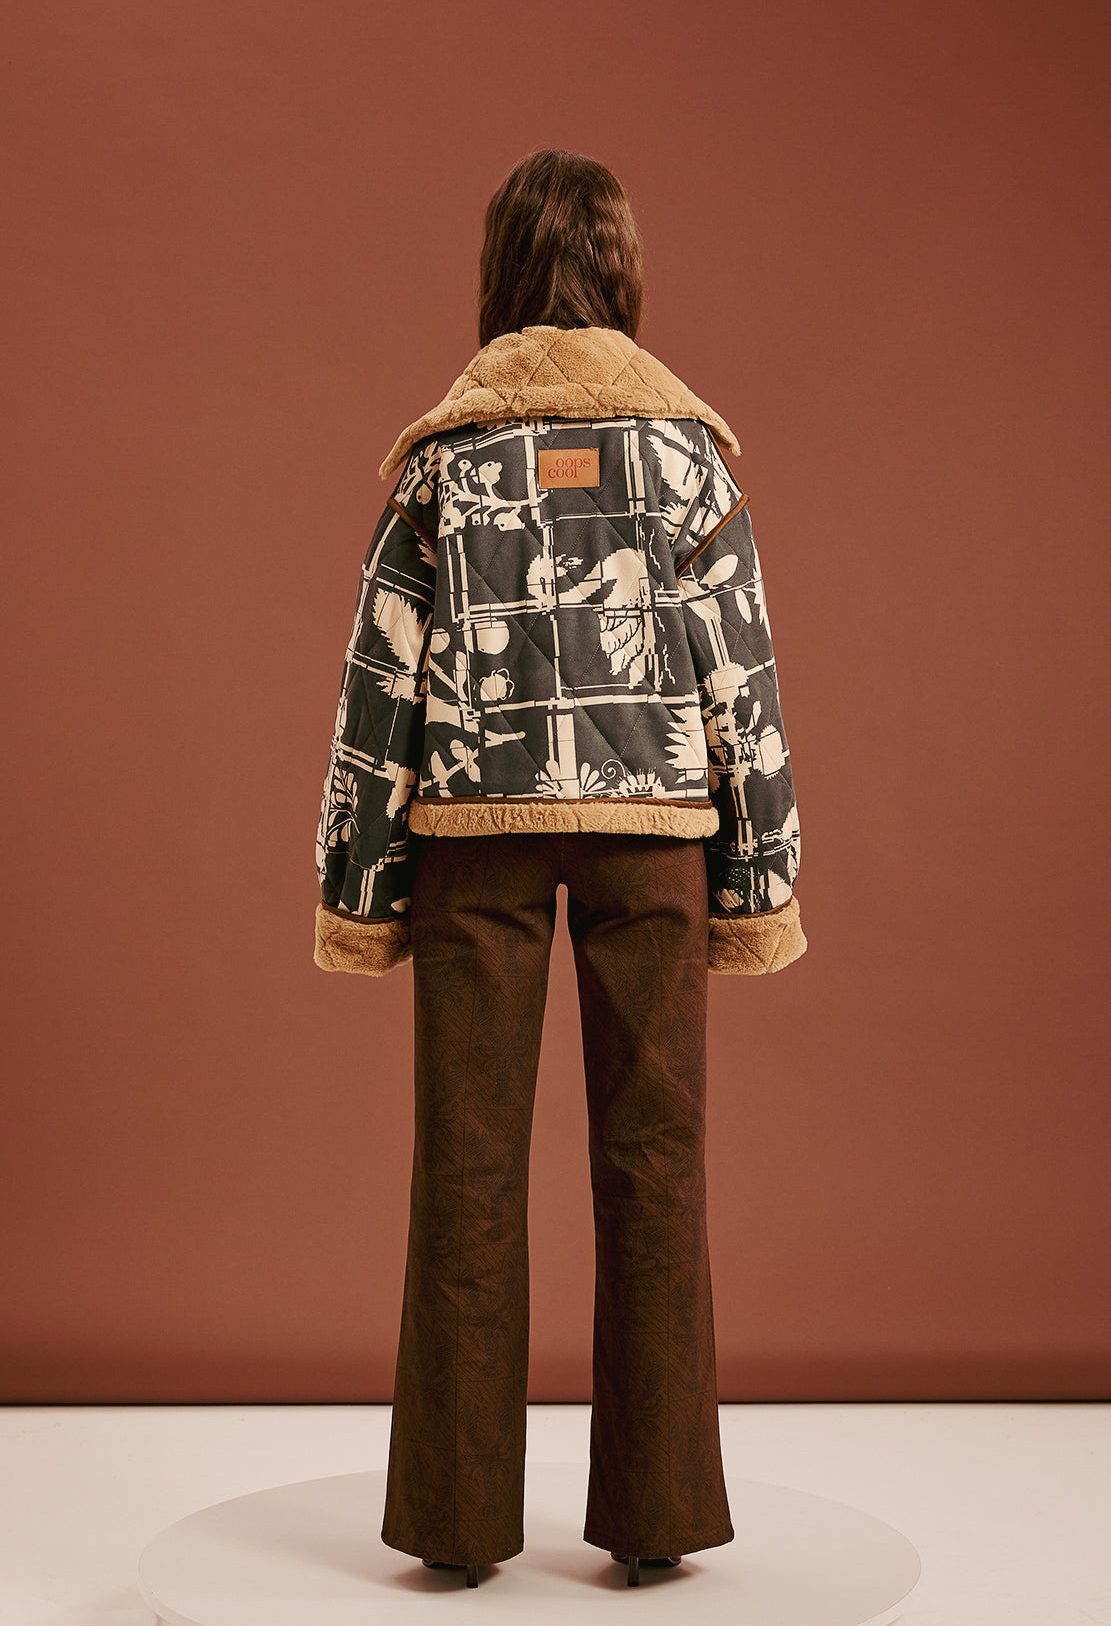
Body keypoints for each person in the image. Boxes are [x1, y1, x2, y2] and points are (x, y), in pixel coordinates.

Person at [312, 147, 807, 1589]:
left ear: (501, 273)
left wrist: (360, 887)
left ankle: (456, 1529)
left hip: (476, 839)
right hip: (657, 841)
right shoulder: (690, 466)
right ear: (623, 271)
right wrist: (760, 877)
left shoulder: (442, 468)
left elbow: (377, 693)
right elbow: (745, 688)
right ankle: (659, 1522)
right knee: (658, 1164)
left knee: (466, 1168)